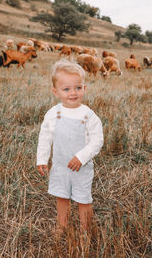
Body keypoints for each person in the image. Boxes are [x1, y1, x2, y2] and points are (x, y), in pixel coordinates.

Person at [36, 59, 104, 233]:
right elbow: (45, 137)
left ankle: (85, 229)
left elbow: (97, 141)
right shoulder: (53, 113)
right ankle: (62, 225)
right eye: (66, 89)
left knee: (83, 200)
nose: (73, 93)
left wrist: (81, 157)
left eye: (78, 88)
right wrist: (42, 159)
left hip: (82, 168)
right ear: (56, 92)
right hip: (60, 166)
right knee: (61, 197)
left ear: (84, 88)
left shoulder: (89, 115)